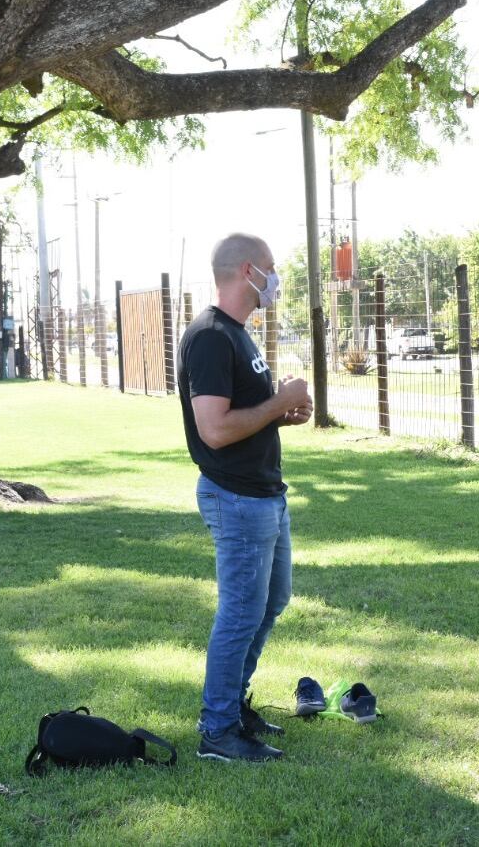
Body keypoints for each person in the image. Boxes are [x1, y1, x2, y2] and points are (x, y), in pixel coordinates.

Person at [178, 232, 313, 762]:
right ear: (249, 271)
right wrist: (279, 399)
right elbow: (213, 430)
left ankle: (231, 706)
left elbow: (244, 417)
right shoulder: (211, 335)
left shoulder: (239, 333)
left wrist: (283, 412)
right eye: (273, 268)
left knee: (271, 602)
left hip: (264, 493)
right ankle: (217, 731)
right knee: (240, 612)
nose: (277, 277)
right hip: (236, 498)